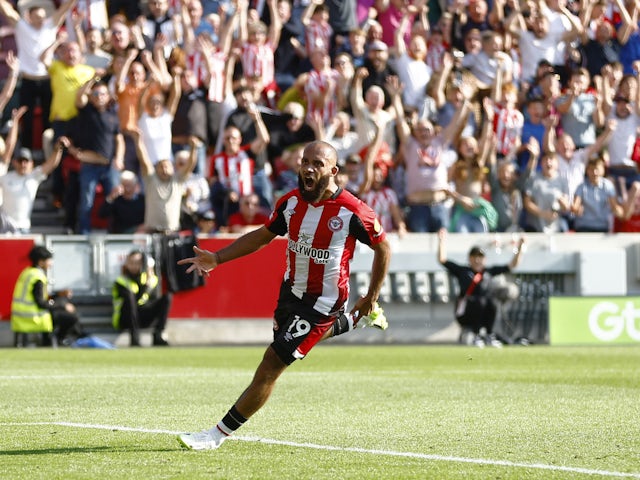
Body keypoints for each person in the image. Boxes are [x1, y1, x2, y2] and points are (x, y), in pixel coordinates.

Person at [176, 140, 391, 450]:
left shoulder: (352, 211)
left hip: (324, 301)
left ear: (333, 170)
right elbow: (263, 236)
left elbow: (383, 247)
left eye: (317, 163)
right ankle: (357, 319)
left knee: (272, 362)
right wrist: (218, 258)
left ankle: (216, 435)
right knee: (293, 344)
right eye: (305, 161)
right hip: (290, 293)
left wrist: (372, 294)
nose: (308, 168)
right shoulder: (289, 202)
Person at [437, 228, 525, 347]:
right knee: (479, 301)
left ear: (485, 259)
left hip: (484, 310)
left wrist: (520, 248)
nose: (477, 259)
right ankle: (477, 334)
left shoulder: (488, 272)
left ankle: (488, 334)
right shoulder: (463, 271)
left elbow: (512, 265)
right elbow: (442, 260)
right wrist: (441, 240)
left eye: (480, 256)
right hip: (466, 311)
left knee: (491, 301)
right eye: (474, 256)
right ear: (469, 258)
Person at [11, 245, 87, 347]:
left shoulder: (27, 272)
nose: (51, 263)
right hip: (34, 317)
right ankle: (61, 340)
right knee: (72, 317)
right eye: (49, 260)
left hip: (20, 317)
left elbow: (38, 296)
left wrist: (59, 295)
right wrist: (62, 306)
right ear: (41, 262)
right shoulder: (38, 277)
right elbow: (41, 303)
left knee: (62, 301)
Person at [0, 133, 69, 234]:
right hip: (5, 228)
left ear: (31, 163)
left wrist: (58, 149)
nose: (23, 164)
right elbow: (7, 153)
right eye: (20, 161)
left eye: (26, 161)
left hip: (24, 228)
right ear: (14, 162)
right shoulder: (5, 177)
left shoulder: (34, 176)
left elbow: (51, 164)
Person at [112, 250, 171, 347]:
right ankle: (135, 339)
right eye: (131, 263)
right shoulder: (121, 281)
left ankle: (158, 335)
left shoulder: (150, 279)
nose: (134, 266)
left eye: (138, 263)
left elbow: (153, 301)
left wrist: (148, 282)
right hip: (124, 318)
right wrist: (144, 287)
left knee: (167, 297)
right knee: (130, 299)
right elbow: (133, 302)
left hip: (143, 316)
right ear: (126, 264)